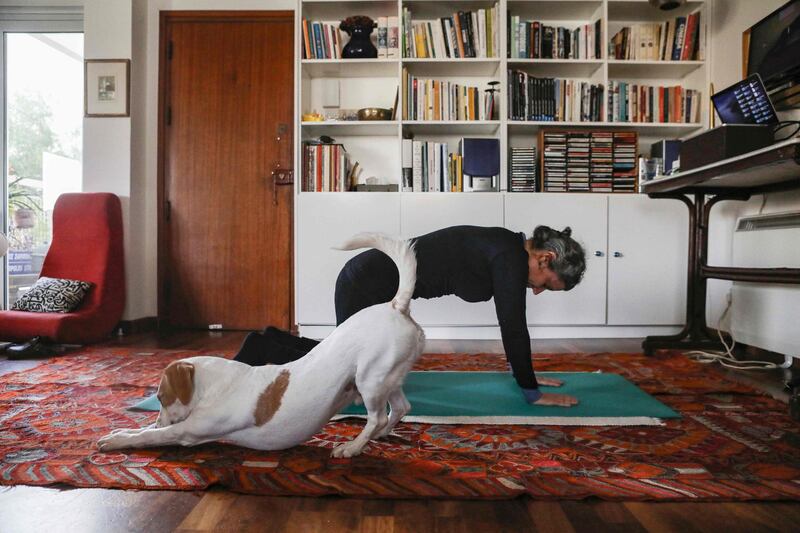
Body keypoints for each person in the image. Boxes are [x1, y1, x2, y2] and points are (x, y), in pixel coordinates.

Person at [234, 225, 586, 407]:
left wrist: (522, 374)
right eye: (547, 285)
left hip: (370, 277)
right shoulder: (509, 256)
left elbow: (511, 323)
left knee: (346, 364)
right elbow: (513, 325)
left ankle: (270, 341)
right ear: (545, 260)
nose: (537, 290)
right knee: (342, 374)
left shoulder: (505, 247)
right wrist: (531, 391)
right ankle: (262, 349)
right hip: (367, 280)